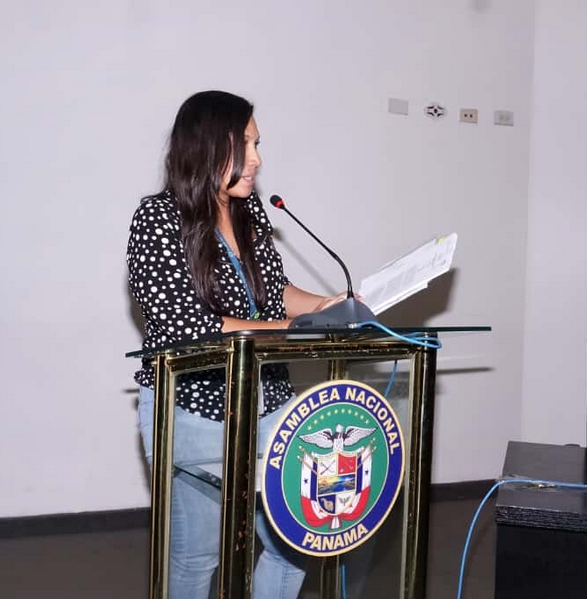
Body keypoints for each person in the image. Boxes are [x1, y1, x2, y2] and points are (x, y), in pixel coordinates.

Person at [126, 90, 348, 599]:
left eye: (257, 144)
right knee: (201, 553)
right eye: (245, 144)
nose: (257, 159)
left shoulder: (249, 213)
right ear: (207, 146)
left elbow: (274, 291)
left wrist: (328, 306)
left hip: (267, 401)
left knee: (298, 538)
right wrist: (290, 330)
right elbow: (188, 325)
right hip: (191, 410)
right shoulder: (158, 219)